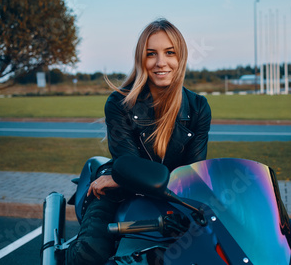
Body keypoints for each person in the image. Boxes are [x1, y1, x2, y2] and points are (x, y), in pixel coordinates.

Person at [65, 18, 211, 265]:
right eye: (151, 54)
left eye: (169, 53)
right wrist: (120, 178)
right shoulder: (119, 103)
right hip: (118, 186)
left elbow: (192, 172)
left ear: (181, 58)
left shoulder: (198, 107)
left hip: (173, 194)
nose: (160, 62)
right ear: (141, 60)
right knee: (88, 255)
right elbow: (128, 162)